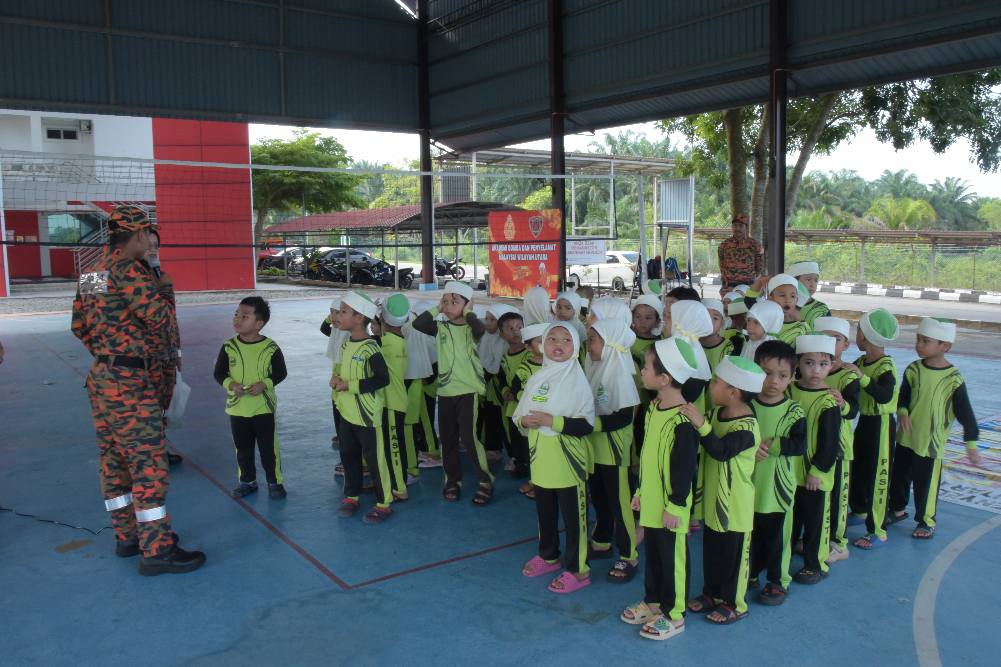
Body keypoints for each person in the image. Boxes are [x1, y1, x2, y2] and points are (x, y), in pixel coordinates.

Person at [71, 205, 205, 574]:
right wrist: (165, 291)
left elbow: (79, 326)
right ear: (141, 233)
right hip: (131, 383)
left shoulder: (93, 273)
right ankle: (157, 549)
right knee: (148, 466)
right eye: (149, 235)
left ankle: (127, 536)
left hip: (102, 377)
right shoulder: (130, 270)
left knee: (114, 461)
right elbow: (161, 323)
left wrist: (108, 353)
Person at [620, 337, 701, 641]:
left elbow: (684, 468)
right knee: (654, 555)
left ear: (664, 379)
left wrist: (676, 505)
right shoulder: (654, 408)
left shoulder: (683, 421)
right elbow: (649, 456)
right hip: (652, 501)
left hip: (671, 507)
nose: (642, 371)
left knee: (672, 560)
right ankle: (653, 602)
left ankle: (674, 614)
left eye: (646, 367)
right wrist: (641, 492)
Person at [682, 356, 764, 625]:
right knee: (713, 551)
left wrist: (700, 424)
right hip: (713, 499)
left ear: (733, 392)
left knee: (734, 556)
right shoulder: (716, 414)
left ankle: (735, 603)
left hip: (735, 505)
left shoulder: (747, 427)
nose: (711, 386)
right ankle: (712, 593)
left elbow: (721, 450)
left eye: (716, 382)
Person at [515, 323, 595, 594]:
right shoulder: (537, 378)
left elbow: (586, 425)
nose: (558, 344)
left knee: (574, 520)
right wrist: (524, 421)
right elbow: (519, 414)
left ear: (576, 347)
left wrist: (553, 421)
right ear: (542, 344)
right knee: (545, 513)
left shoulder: (577, 381)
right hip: (541, 460)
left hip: (568, 463)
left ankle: (578, 569)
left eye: (565, 340)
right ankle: (548, 556)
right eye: (551, 338)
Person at [890, 318, 981, 539]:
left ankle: (926, 520)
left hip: (929, 442)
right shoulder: (913, 370)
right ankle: (897, 509)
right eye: (918, 339)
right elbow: (903, 397)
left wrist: (971, 443)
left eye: (925, 341)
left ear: (944, 346)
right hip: (906, 437)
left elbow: (965, 413)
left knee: (926, 483)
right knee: (900, 476)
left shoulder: (953, 379)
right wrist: (902, 412)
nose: (919, 345)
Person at [412, 281, 491, 504]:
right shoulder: (440, 327)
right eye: (445, 301)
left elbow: (479, 329)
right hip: (446, 392)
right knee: (447, 439)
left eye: (454, 302)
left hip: (468, 391)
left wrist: (468, 312)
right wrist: (439, 307)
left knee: (469, 438)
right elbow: (418, 324)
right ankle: (452, 480)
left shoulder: (472, 328)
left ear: (467, 305)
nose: (448, 305)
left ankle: (485, 481)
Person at [214, 297, 289, 500]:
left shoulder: (270, 348)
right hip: (237, 408)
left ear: (258, 324)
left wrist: (264, 384)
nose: (237, 319)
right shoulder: (228, 346)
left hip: (263, 407)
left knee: (268, 448)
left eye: (244, 316)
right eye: (236, 314)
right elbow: (219, 373)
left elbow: (281, 372)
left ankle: (275, 481)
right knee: (242, 448)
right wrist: (231, 385)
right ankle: (247, 481)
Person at [748, 341, 806, 605]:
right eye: (767, 373)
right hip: (749, 485)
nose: (773, 381)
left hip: (777, 489)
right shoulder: (747, 405)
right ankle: (750, 572)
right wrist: (751, 449)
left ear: (792, 376)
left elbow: (800, 445)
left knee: (778, 538)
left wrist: (773, 445)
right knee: (750, 534)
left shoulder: (794, 411)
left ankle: (778, 580)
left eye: (782, 375)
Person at [585, 317, 640, 582]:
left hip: (613, 452)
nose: (588, 346)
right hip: (594, 449)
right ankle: (602, 540)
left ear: (609, 344)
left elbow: (623, 418)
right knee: (599, 496)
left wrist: (590, 424)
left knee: (620, 504)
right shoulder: (595, 367)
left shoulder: (620, 375)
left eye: (593, 341)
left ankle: (629, 555)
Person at [331, 292, 393, 524]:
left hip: (367, 416)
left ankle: (384, 503)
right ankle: (352, 495)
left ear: (359, 318)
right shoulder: (346, 345)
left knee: (375, 460)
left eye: (343, 312)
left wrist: (351, 385)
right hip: (347, 413)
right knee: (348, 455)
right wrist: (336, 379)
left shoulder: (371, 348)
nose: (337, 316)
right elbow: (343, 371)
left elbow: (382, 379)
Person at [789, 334, 841, 584]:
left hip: (814, 476)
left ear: (831, 365)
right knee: (792, 518)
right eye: (809, 363)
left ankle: (816, 563)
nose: (816, 370)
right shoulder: (790, 390)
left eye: (823, 364)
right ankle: (784, 556)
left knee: (815, 522)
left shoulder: (829, 401)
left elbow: (830, 443)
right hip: (791, 471)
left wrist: (817, 471)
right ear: (798, 363)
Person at [845, 309, 900, 550]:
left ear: (866, 336)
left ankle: (878, 530)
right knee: (858, 467)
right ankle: (859, 509)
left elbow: (884, 394)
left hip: (882, 425)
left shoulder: (886, 366)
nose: (856, 335)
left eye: (858, 330)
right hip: (865, 422)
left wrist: (863, 378)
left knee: (878, 476)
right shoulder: (860, 362)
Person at [814, 316, 860, 564]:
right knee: (817, 496)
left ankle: (839, 543)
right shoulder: (805, 373)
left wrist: (843, 404)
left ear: (846, 344)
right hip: (814, 445)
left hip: (839, 448)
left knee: (836, 498)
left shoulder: (848, 376)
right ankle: (817, 538)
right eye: (825, 338)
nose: (831, 343)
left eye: (837, 338)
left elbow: (853, 411)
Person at [144, 230, 183, 466]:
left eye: (155, 246)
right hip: (131, 365)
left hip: (163, 357)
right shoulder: (96, 275)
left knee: (161, 408)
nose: (152, 250)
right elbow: (83, 323)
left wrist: (176, 352)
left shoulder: (162, 277)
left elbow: (171, 319)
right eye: (146, 243)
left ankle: (158, 451)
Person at [377, 293, 412, 501]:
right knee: (396, 444)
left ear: (383, 318)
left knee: (393, 448)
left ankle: (399, 488)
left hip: (391, 403)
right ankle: (397, 481)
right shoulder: (399, 340)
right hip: (398, 399)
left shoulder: (385, 343)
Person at [507, 322, 547, 497]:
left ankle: (542, 484)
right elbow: (516, 389)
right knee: (531, 452)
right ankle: (535, 480)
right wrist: (528, 399)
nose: (545, 344)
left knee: (546, 452)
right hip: (530, 418)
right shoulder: (525, 368)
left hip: (549, 417)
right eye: (539, 341)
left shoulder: (555, 365)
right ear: (528, 347)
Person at [478, 304, 519, 463]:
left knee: (506, 419)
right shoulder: (487, 337)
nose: (487, 323)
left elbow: (499, 367)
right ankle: (493, 447)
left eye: (492, 319)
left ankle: (515, 455)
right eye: (487, 318)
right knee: (491, 415)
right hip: (490, 385)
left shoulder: (508, 343)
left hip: (503, 386)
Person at [496, 311, 530, 477]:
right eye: (510, 328)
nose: (516, 331)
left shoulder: (530, 354)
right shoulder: (504, 357)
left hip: (526, 407)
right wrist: (504, 391)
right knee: (515, 439)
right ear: (501, 334)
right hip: (512, 408)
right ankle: (520, 464)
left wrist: (515, 394)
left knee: (527, 441)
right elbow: (501, 378)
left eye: (519, 327)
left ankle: (532, 474)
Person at [745, 274, 810, 344]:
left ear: (796, 300)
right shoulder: (763, 318)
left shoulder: (802, 327)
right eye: (782, 295)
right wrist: (760, 282)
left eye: (792, 296)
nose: (788, 300)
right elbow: (749, 300)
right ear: (770, 298)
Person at [322, 297, 349, 450]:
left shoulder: (351, 335)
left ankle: (345, 439)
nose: (333, 316)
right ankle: (341, 436)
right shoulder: (337, 332)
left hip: (346, 384)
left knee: (345, 416)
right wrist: (331, 317)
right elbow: (324, 328)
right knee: (337, 412)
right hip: (336, 383)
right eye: (331, 312)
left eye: (338, 312)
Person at [717, 214, 764, 294]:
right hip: (730, 286)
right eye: (735, 226)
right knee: (729, 302)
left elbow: (759, 266)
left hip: (749, 286)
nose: (737, 228)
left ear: (746, 227)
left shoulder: (755, 245)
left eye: (740, 226)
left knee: (749, 302)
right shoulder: (724, 245)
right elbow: (722, 265)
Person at [788, 261, 830, 328]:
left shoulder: (822, 309)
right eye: (808, 280)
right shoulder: (783, 306)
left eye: (816, 280)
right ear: (794, 281)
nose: (812, 284)